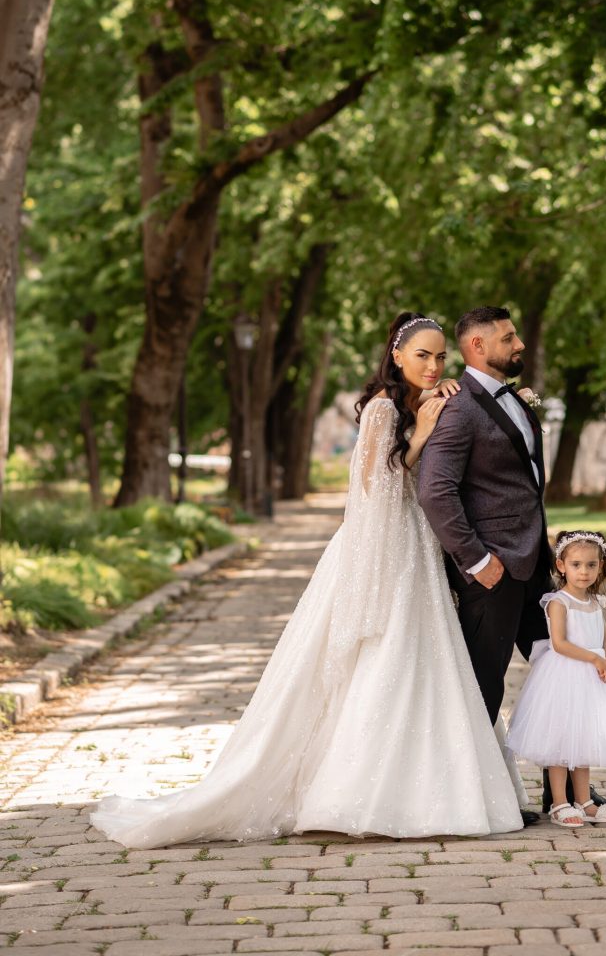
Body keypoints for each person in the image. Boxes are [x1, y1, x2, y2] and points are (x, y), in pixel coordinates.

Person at [90, 313, 525, 848]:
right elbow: (375, 487)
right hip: (383, 543)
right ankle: (351, 792)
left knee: (426, 657)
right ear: (396, 356)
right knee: (381, 653)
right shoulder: (383, 409)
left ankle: (434, 786)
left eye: (440, 357)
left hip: (418, 544)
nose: (433, 366)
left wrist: (434, 411)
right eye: (422, 356)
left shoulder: (424, 400)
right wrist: (422, 437)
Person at [418, 306, 606, 821]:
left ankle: (569, 794)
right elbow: (435, 491)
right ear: (477, 346)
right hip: (492, 573)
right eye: (508, 338)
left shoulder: (514, 399)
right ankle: (464, 801)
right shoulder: (458, 409)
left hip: (536, 566)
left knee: (565, 670)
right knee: (484, 685)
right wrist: (476, 560)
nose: (519, 345)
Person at [506, 529, 606, 827]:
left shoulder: (595, 601)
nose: (584, 572)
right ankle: (559, 802)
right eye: (576, 565)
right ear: (561, 566)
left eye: (591, 565)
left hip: (592, 679)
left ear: (600, 565)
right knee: (559, 742)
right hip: (565, 676)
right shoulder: (559, 602)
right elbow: (559, 643)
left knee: (582, 741)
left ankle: (584, 801)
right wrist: (595, 658)